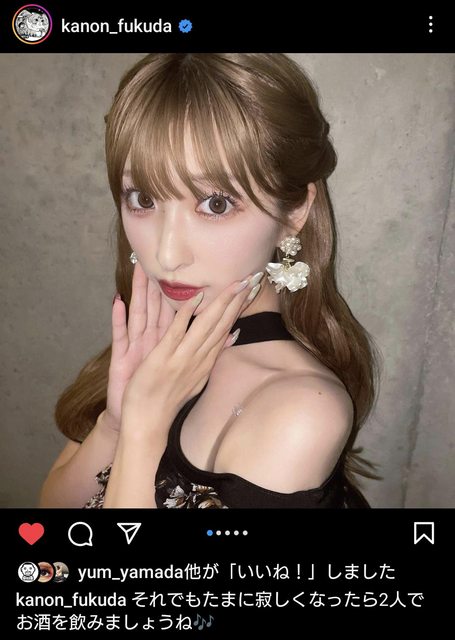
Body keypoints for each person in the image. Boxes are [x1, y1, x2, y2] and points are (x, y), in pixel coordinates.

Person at [39, 53, 382, 509]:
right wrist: (116, 423)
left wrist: (145, 428)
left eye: (215, 204)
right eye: (143, 198)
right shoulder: (161, 338)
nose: (166, 255)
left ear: (294, 212)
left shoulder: (301, 412)